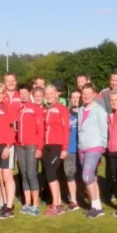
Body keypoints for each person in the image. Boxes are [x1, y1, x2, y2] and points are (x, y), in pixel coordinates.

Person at [77, 83, 109, 218]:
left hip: (94, 146)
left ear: (94, 94)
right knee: (92, 178)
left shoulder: (99, 110)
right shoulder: (80, 110)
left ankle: (95, 206)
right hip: (82, 146)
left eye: (89, 93)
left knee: (86, 177)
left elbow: (104, 129)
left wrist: (103, 145)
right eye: (84, 94)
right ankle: (97, 206)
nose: (86, 96)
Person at [0, 83, 20, 219]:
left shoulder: (9, 107)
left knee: (8, 177)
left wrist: (8, 146)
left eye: (0, 93)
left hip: (6, 145)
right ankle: (5, 203)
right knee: (0, 177)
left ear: (4, 94)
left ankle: (9, 207)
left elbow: (15, 128)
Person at [41, 84, 71, 216]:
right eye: (46, 94)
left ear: (56, 94)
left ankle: (56, 204)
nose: (49, 96)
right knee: (52, 175)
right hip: (46, 146)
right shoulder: (44, 109)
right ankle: (58, 204)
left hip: (57, 146)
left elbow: (66, 130)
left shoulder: (62, 109)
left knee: (51, 175)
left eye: (51, 93)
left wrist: (64, 148)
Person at [16, 84, 45, 216]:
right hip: (20, 146)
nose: (23, 96)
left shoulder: (35, 109)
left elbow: (41, 130)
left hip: (32, 145)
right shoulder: (19, 109)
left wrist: (39, 147)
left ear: (30, 94)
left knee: (31, 174)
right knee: (23, 173)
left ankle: (35, 205)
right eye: (21, 94)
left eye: (25, 93)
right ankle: (27, 203)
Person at [63, 90, 82, 211]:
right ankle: (73, 200)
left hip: (83, 148)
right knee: (70, 173)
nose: (75, 99)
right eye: (73, 97)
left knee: (84, 174)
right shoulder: (66, 113)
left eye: (78, 97)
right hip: (70, 148)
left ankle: (86, 196)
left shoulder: (85, 112)